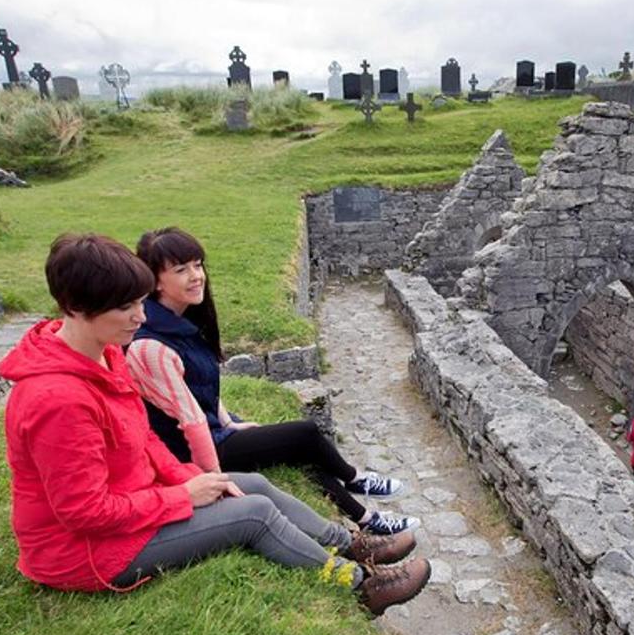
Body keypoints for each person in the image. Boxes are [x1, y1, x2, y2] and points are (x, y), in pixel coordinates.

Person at [0, 233, 429, 615]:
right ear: (76, 307)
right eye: (125, 307)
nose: (141, 317)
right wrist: (182, 495)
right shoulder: (57, 400)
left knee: (251, 484)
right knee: (254, 514)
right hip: (87, 553)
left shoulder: (105, 355)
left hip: (132, 503)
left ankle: (350, 543)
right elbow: (84, 513)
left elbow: (143, 437)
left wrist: (191, 478)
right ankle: (358, 586)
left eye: (139, 303)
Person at [125, 227, 418, 537]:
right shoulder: (151, 346)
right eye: (181, 269)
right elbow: (191, 419)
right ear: (156, 280)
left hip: (213, 431)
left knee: (297, 454)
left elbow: (202, 389)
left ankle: (367, 519)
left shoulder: (181, 321)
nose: (196, 275)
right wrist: (213, 479)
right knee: (303, 434)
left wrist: (229, 422)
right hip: (189, 451)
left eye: (198, 265)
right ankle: (356, 478)